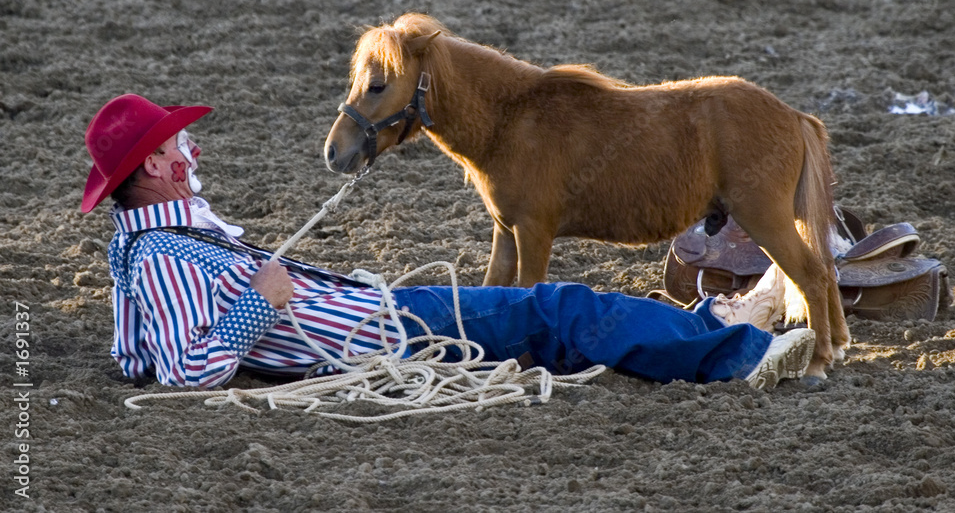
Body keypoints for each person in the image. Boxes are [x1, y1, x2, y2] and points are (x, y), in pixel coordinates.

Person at [82, 94, 813, 391]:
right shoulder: (162, 255)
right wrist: (259, 306)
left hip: (378, 315)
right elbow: (182, 370)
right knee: (555, 311)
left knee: (538, 321)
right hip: (383, 331)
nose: (194, 151)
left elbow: (135, 353)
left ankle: (706, 332)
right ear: (153, 165)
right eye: (180, 144)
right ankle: (733, 347)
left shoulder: (157, 244)